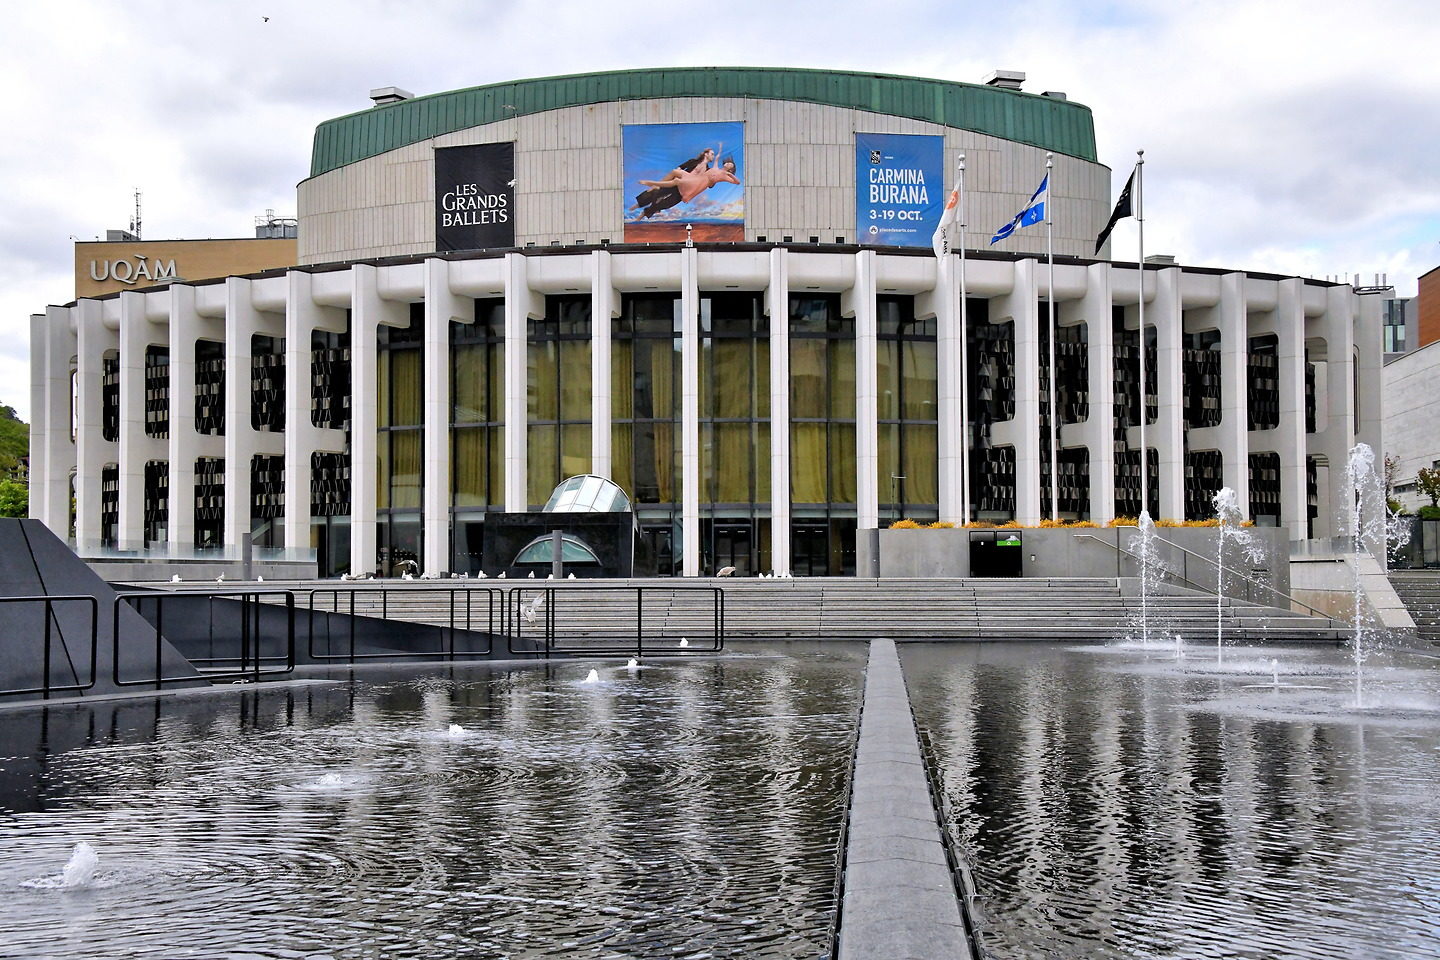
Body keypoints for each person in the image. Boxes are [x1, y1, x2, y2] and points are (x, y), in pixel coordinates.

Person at [639, 156, 739, 204]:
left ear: (730, 169)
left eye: (730, 164)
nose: (728, 163)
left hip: (699, 183)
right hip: (696, 178)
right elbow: (717, 159)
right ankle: (655, 186)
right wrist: (720, 147)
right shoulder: (715, 168)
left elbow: (737, 182)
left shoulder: (725, 175)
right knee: (675, 173)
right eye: (728, 162)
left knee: (677, 182)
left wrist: (730, 174)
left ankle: (652, 184)